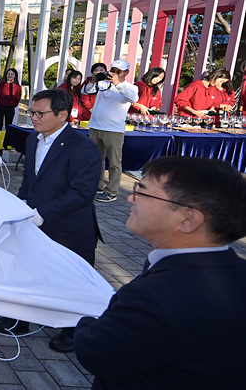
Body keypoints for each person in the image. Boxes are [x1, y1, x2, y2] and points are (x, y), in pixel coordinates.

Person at [74, 156, 246, 389]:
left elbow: (97, 353)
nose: (130, 198)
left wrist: (87, 322)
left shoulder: (152, 298)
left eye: (142, 192)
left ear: (188, 219)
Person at [0, 89, 101, 352]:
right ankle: (21, 319)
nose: (34, 118)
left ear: (62, 115)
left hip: (70, 227)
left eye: (40, 113)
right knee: (29, 270)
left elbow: (82, 193)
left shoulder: (83, 147)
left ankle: (74, 330)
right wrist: (19, 205)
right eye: (32, 112)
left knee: (73, 281)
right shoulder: (32, 140)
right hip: (34, 220)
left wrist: (43, 213)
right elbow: (30, 180)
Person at [86, 60, 138, 203]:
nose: (114, 73)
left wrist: (117, 83)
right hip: (95, 126)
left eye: (118, 71)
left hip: (114, 129)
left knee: (114, 162)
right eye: (112, 70)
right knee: (96, 159)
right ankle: (97, 186)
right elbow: (87, 91)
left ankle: (112, 191)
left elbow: (134, 98)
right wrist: (93, 80)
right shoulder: (103, 83)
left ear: (126, 72)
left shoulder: (131, 87)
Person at [0, 67, 22, 137]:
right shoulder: (0, 84)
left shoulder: (17, 87)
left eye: (12, 74)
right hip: (0, 106)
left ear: (15, 76)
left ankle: (7, 140)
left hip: (10, 108)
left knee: (8, 124)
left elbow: (17, 98)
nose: (9, 75)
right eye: (8, 74)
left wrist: (12, 104)